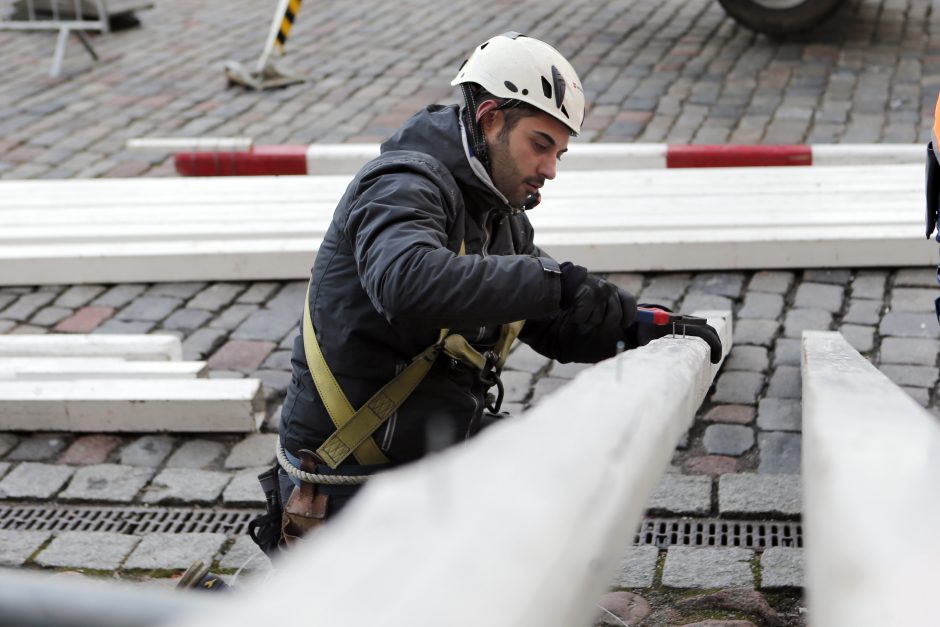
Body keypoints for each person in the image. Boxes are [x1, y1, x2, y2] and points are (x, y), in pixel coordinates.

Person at [253, 31, 723, 553]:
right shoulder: (403, 183)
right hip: (350, 477)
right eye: (540, 145)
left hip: (427, 447)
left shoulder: (499, 213)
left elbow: (557, 315)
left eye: (559, 154)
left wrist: (643, 326)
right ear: (490, 118)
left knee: (567, 479)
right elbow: (405, 281)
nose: (549, 169)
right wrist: (552, 284)